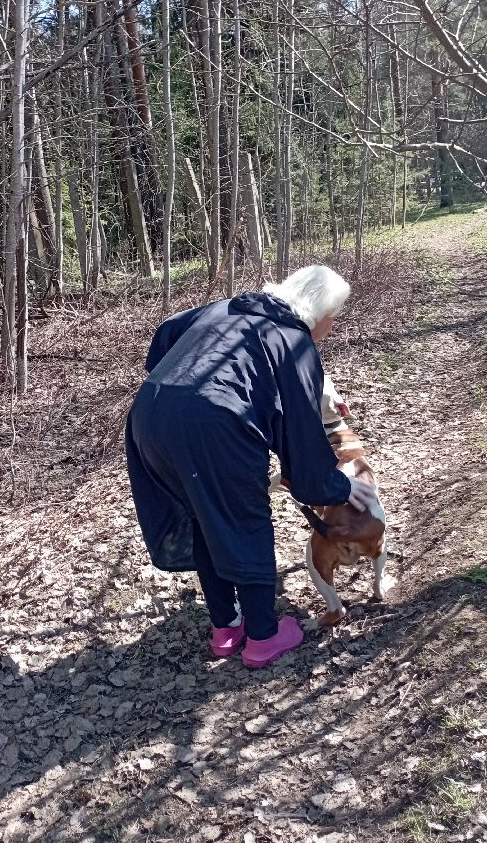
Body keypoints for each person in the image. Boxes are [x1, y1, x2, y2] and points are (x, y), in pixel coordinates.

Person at [125, 264, 378, 669]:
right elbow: (300, 432)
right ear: (321, 313)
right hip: (214, 426)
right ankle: (263, 636)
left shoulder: (226, 308)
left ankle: (226, 629)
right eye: (334, 319)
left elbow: (166, 335)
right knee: (246, 519)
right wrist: (339, 487)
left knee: (205, 517)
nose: (331, 328)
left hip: (151, 416)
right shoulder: (293, 339)